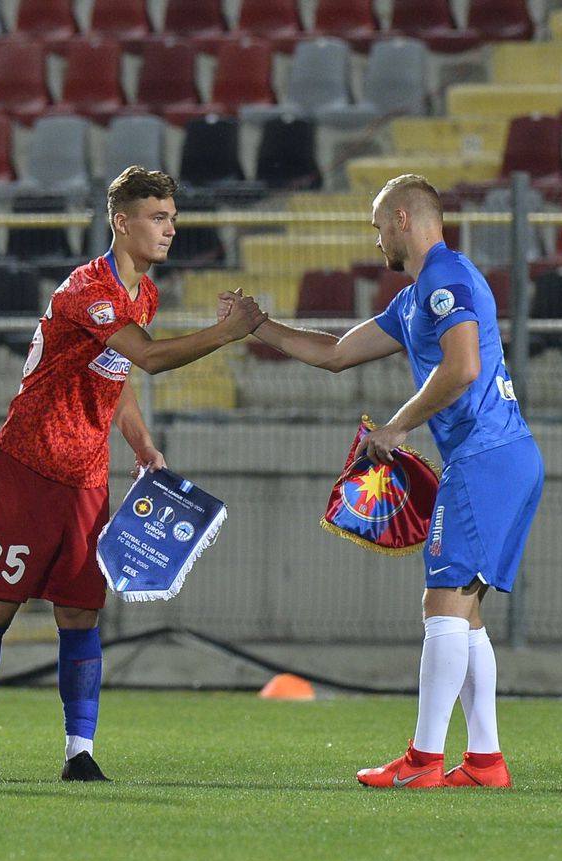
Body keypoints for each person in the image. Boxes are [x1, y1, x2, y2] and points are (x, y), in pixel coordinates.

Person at [221, 174, 543, 789]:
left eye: (377, 227)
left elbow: (463, 367)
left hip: (485, 458)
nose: (376, 242)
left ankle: (423, 762)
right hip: (504, 457)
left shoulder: (445, 279)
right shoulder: (417, 296)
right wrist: (257, 326)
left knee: (442, 603)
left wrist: (398, 426)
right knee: (465, 612)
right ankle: (485, 761)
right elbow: (337, 353)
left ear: (402, 219)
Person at [0, 165, 267, 783]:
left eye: (173, 218)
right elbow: (147, 358)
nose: (170, 229)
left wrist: (142, 443)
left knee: (79, 613)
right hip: (28, 463)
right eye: (158, 217)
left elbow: (116, 376)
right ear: (122, 222)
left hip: (87, 475)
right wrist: (228, 332)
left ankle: (79, 752)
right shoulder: (88, 290)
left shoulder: (142, 293)